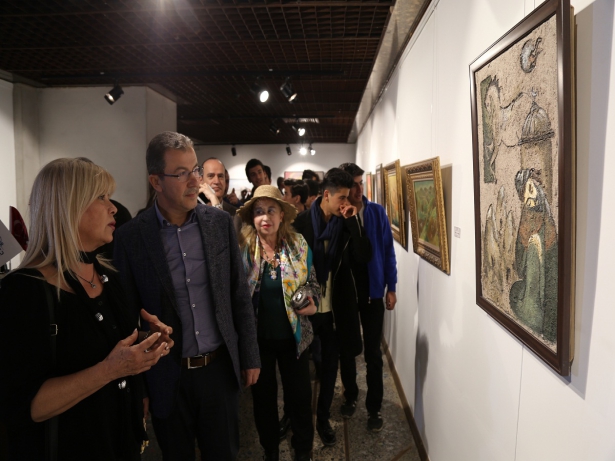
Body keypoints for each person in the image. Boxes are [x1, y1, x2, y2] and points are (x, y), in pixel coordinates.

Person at [0, 158, 173, 460]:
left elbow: (102, 347)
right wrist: (112, 369)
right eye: (101, 197)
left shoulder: (108, 276)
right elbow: (27, 406)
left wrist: (147, 342)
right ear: (69, 207)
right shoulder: (24, 291)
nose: (113, 208)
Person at [113, 131, 260, 460]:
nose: (195, 181)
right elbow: (127, 318)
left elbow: (238, 294)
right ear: (156, 181)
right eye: (181, 173)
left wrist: (250, 355)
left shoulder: (219, 223)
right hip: (166, 375)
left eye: (195, 170)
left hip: (218, 371)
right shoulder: (131, 237)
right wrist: (138, 388)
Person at [238, 185, 320, 461]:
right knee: (263, 400)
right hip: (258, 340)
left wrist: (311, 302)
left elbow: (313, 284)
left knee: (299, 397)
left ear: (281, 215)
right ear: (252, 217)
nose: (265, 217)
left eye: (271, 210)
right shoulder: (244, 250)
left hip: (293, 338)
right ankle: (270, 449)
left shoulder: (298, 245)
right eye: (259, 211)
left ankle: (303, 449)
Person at [292, 168, 371, 446]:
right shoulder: (301, 223)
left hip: (334, 310)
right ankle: (295, 417)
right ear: (326, 195)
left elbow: (363, 256)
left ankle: (323, 419)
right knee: (298, 370)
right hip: (306, 308)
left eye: (348, 197)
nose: (346, 203)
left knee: (329, 368)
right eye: (342, 198)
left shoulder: (346, 223)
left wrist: (354, 222)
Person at [339, 162, 397, 431]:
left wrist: (391, 287)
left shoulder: (376, 212)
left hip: (373, 292)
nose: (358, 189)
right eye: (353, 184)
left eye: (360, 183)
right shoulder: (338, 217)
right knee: (348, 349)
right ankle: (350, 395)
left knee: (373, 353)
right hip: (348, 293)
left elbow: (387, 251)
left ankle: (374, 407)